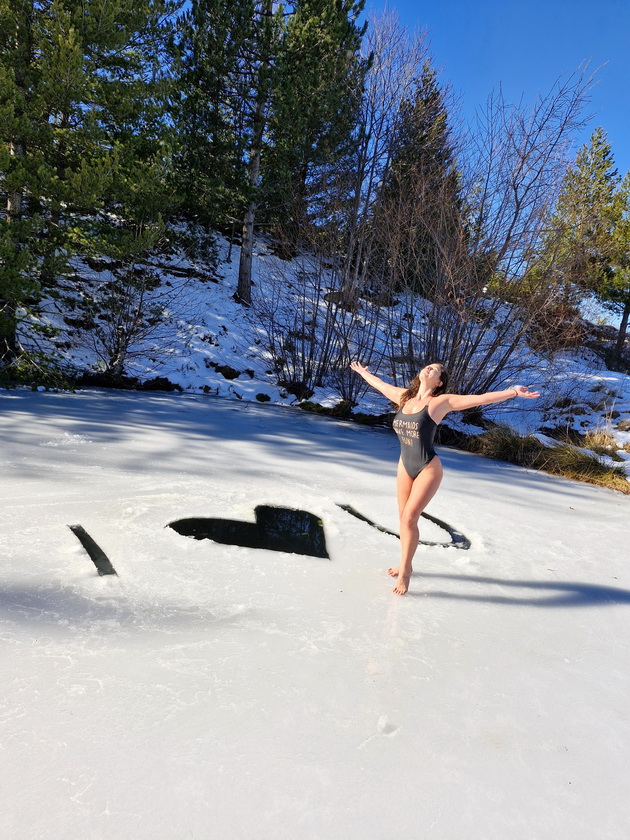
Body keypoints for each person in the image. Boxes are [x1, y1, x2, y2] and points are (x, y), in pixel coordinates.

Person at [349, 361, 540, 595]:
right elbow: (380, 385)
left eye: (436, 369)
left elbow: (481, 398)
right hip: (404, 465)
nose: (429, 368)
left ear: (439, 382)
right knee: (403, 519)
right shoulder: (404, 398)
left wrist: (513, 391)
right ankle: (403, 561)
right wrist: (362, 372)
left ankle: (406, 570)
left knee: (409, 518)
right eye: (428, 366)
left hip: (427, 467)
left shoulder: (440, 402)